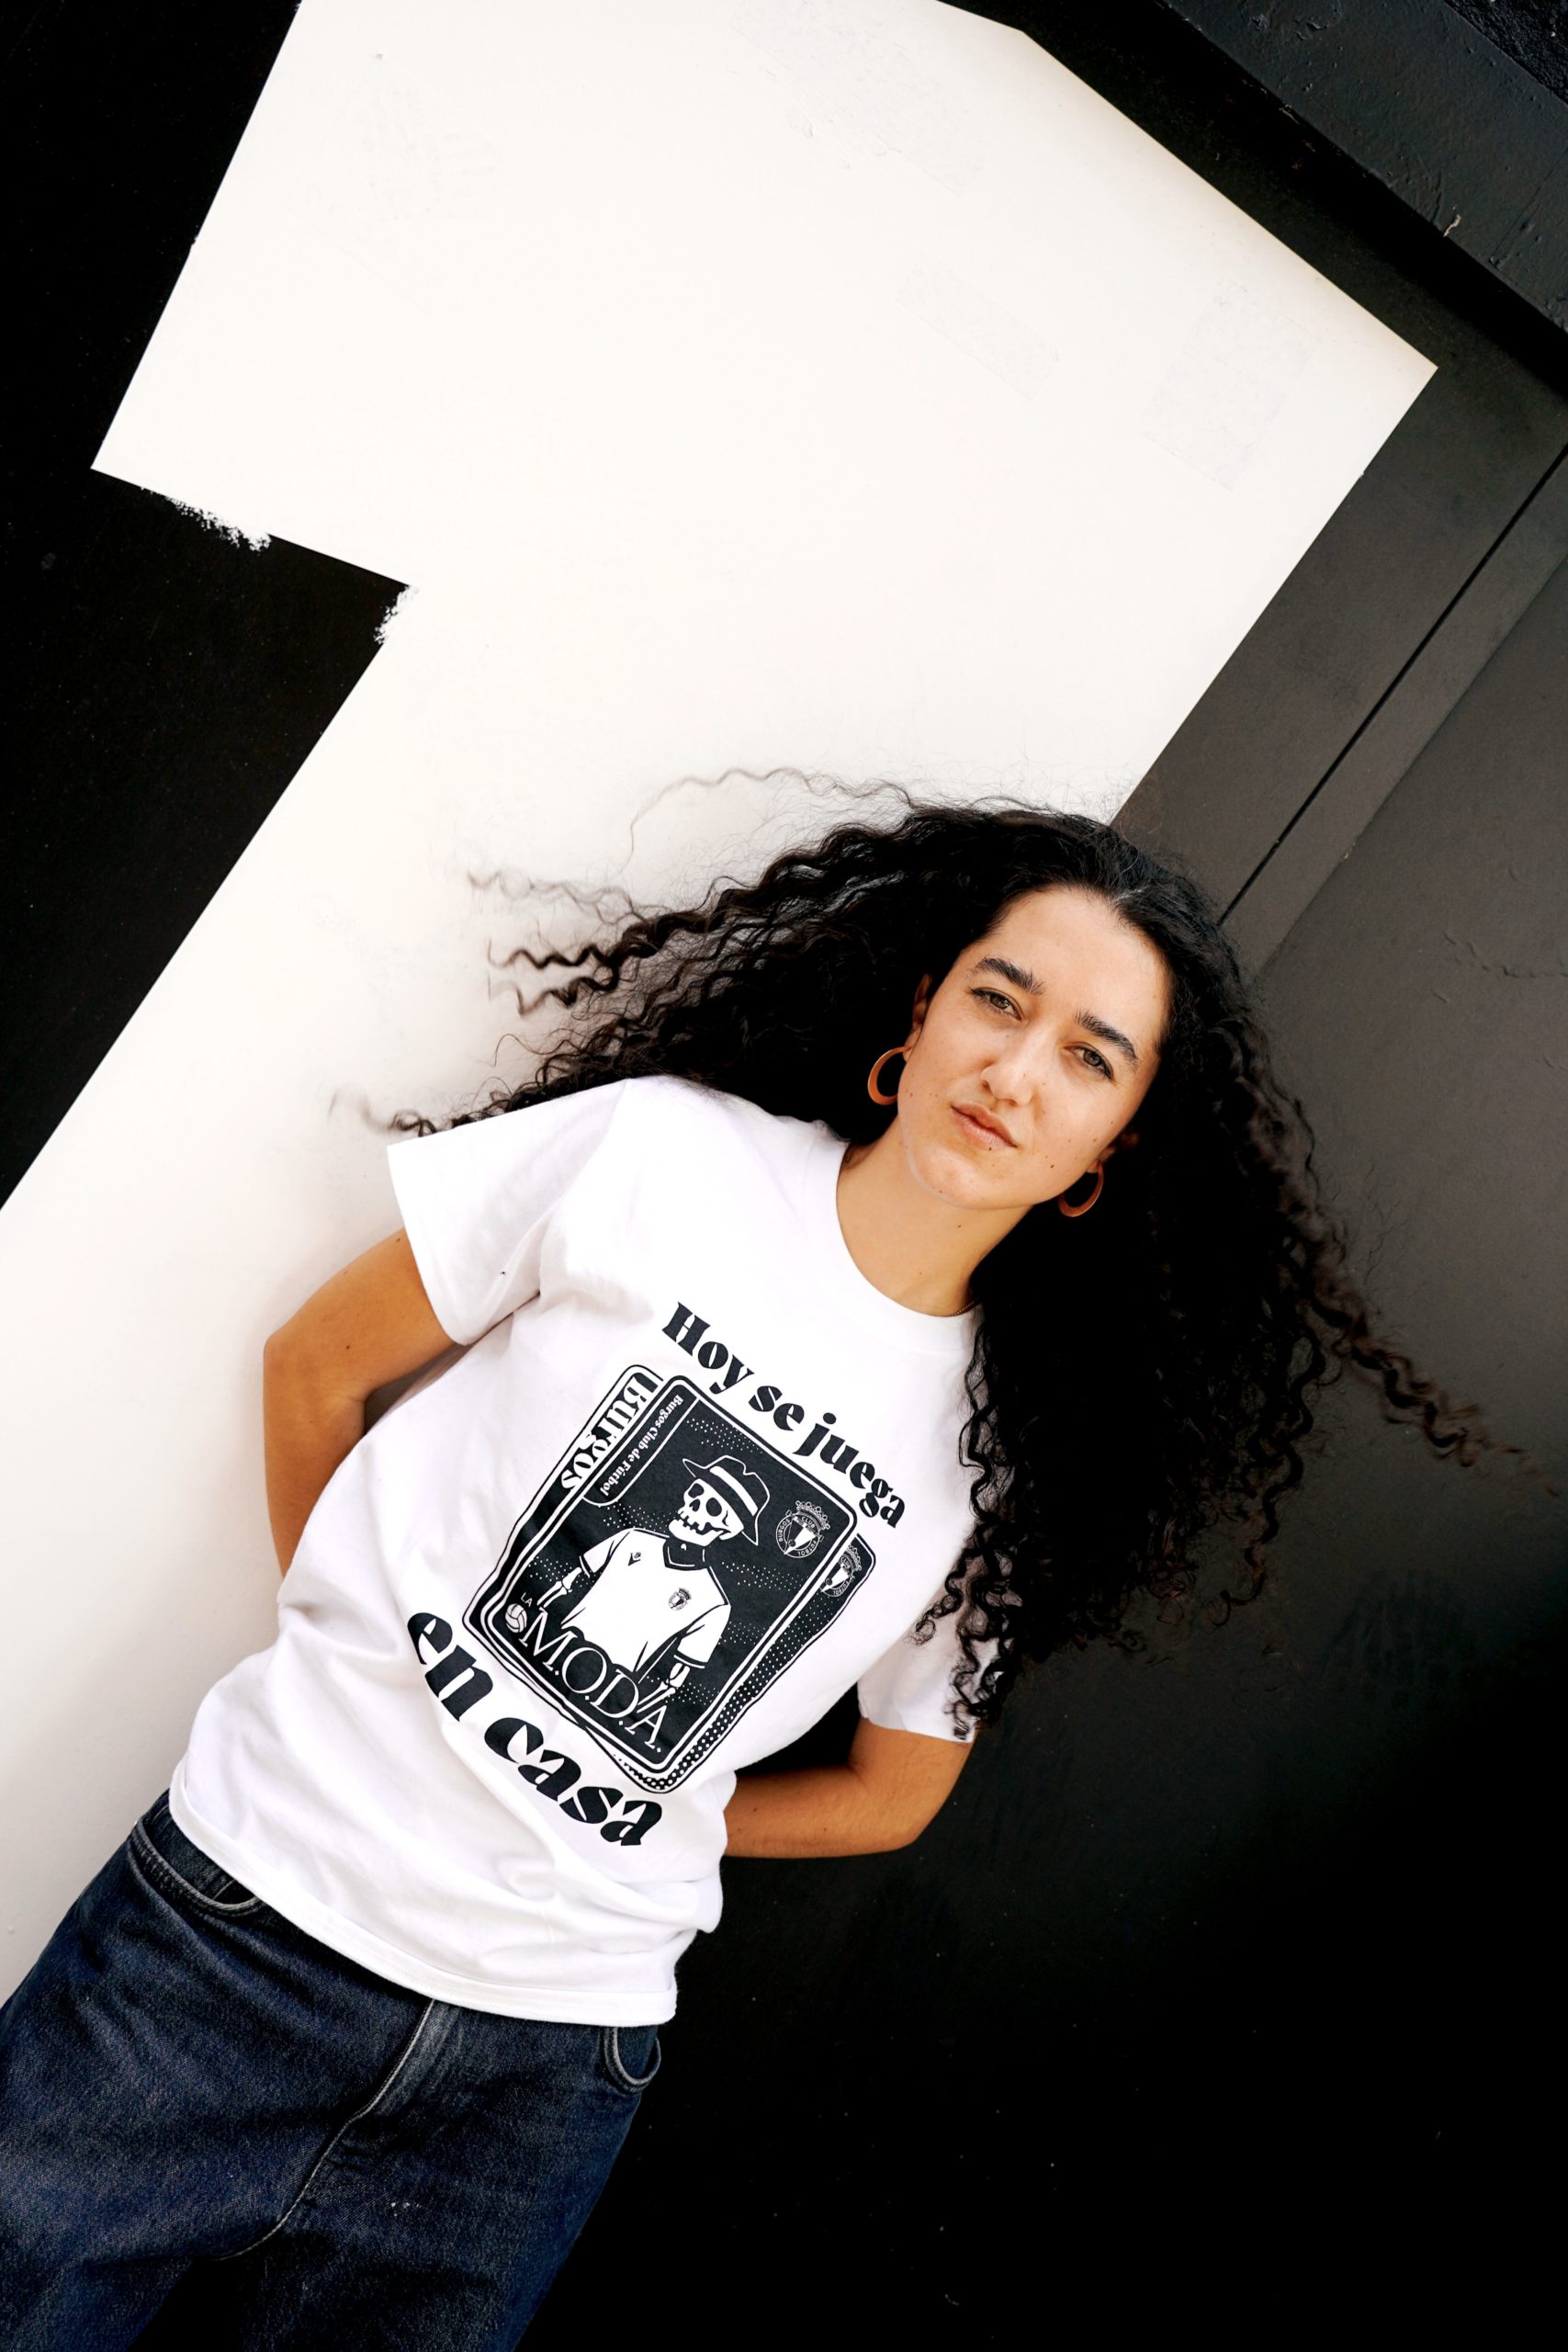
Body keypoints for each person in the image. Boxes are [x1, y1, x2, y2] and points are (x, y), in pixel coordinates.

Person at [0, 797, 1511, 2349]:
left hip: (538, 2074)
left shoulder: (1007, 1463)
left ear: (1106, 1153)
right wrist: (355, 1653)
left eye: (1089, 1057)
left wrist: (649, 1811)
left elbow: (891, 1792)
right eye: (999, 999)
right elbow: (318, 1365)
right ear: (919, 1015)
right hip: (235, 1929)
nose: (1016, 1068)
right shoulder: (661, 1154)